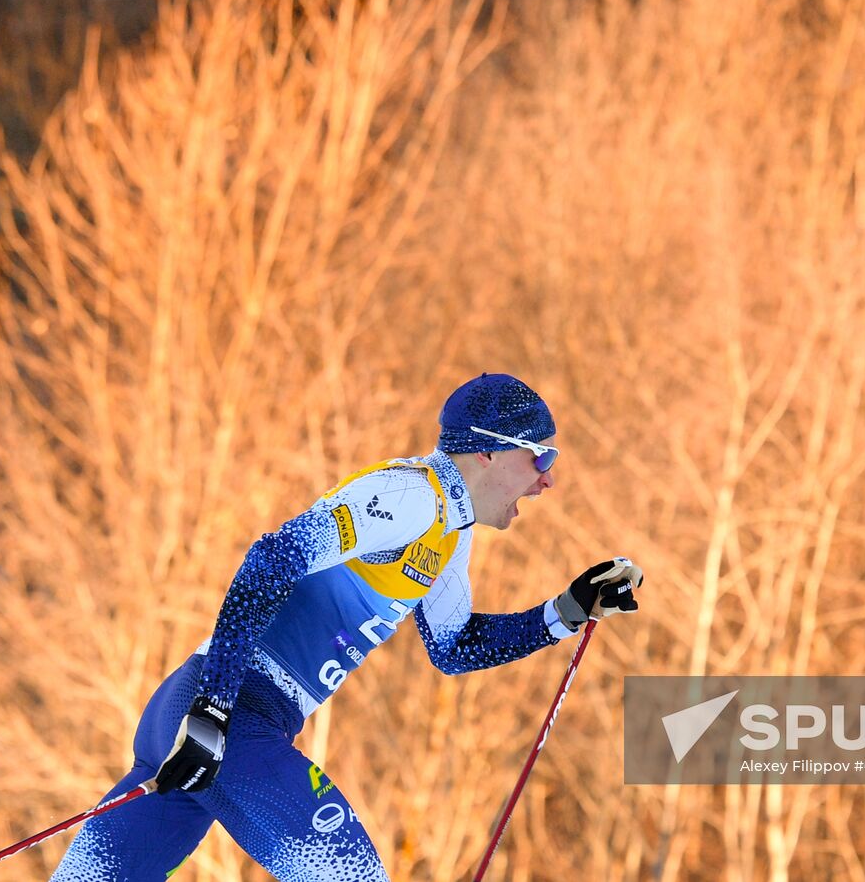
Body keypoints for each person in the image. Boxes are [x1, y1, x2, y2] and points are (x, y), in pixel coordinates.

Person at [51, 373, 643, 881]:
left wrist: (567, 609)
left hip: (214, 715)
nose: (548, 480)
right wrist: (214, 711)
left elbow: (454, 647)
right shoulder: (411, 495)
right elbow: (274, 557)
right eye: (540, 458)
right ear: (486, 453)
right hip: (231, 714)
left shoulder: (449, 535)